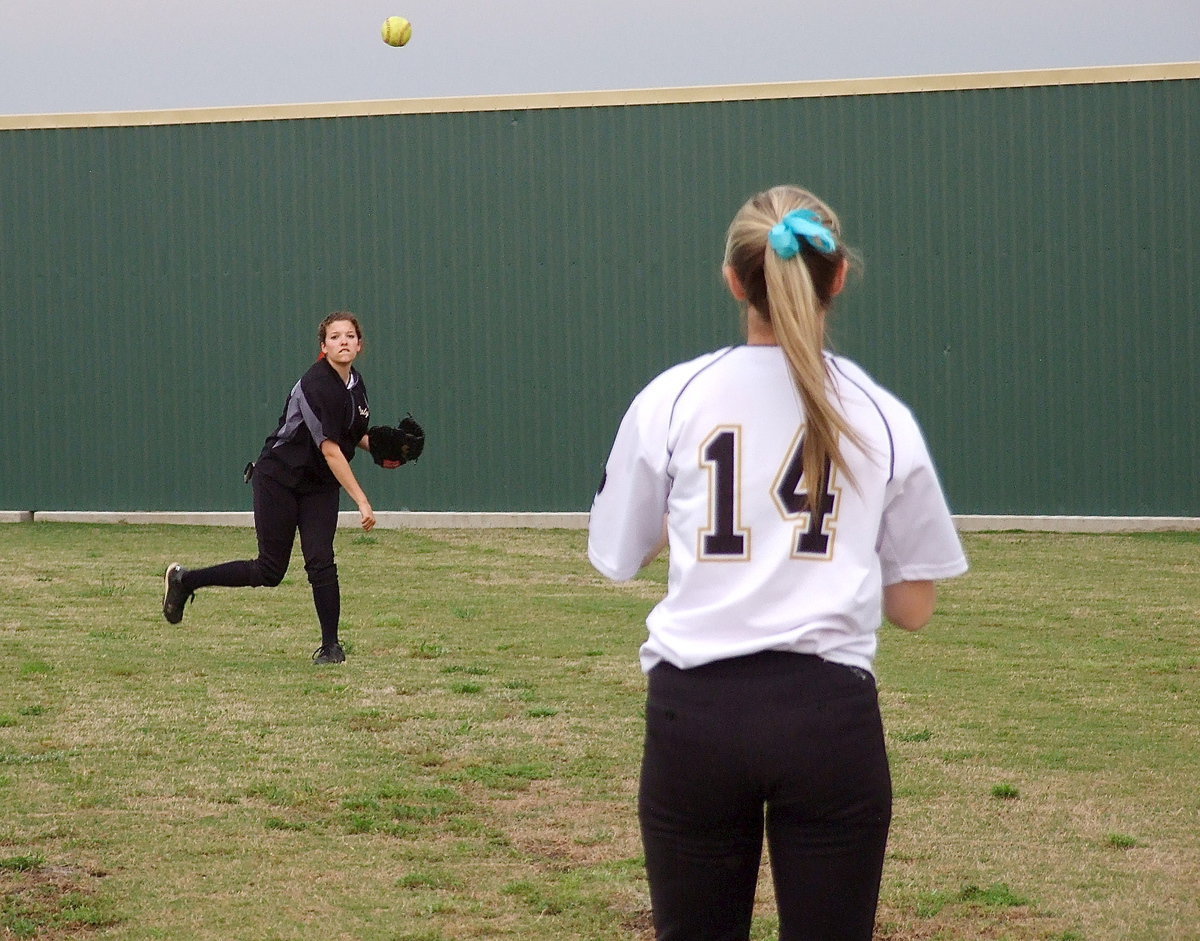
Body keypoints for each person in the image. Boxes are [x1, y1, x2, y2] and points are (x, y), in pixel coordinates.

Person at [587, 185, 968, 940]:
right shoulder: (881, 413)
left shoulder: (673, 398)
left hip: (695, 717)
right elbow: (914, 607)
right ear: (838, 279)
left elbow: (617, 554)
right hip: (829, 723)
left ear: (734, 279)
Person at [162, 311, 385, 665]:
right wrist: (362, 500)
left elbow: (352, 435)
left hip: (318, 485)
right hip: (279, 479)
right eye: (335, 336)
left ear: (359, 343)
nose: (343, 341)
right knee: (270, 570)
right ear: (323, 346)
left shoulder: (355, 383)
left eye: (350, 336)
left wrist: (392, 452)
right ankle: (186, 580)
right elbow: (329, 447)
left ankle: (331, 647)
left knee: (321, 560)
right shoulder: (316, 384)